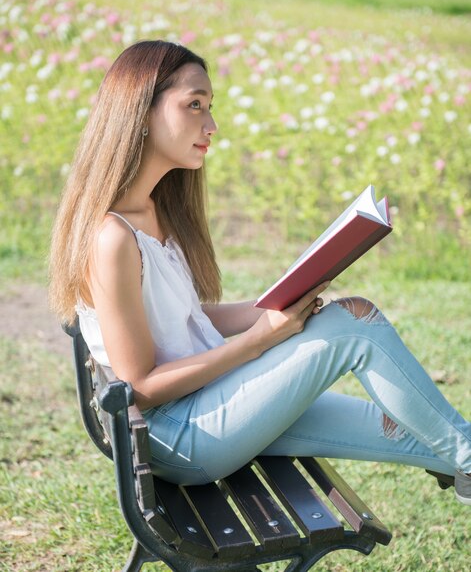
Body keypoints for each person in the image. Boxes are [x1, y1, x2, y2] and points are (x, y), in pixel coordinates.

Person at [49, 40, 471, 505]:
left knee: (419, 433)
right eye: (194, 105)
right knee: (353, 324)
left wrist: (275, 303)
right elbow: (142, 387)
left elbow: (181, 319)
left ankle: (464, 463)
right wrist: (259, 340)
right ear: (140, 111)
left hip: (216, 405)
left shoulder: (152, 210)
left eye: (210, 107)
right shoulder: (112, 237)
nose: (211, 125)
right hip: (180, 437)